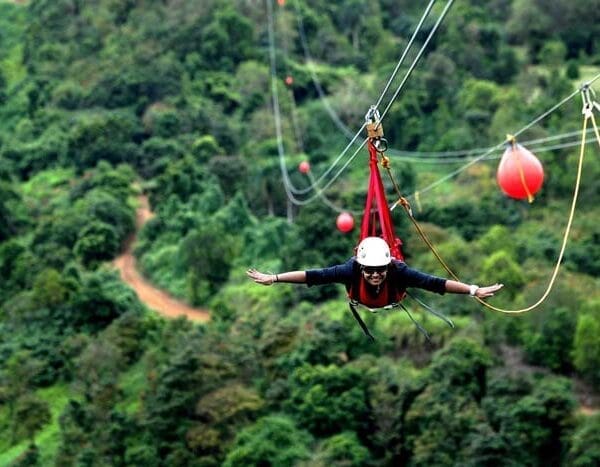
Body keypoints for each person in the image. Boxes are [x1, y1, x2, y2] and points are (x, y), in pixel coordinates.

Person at [246, 236, 503, 308]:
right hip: (362, 298)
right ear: (362, 267)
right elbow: (314, 276)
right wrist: (275, 278)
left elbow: (434, 283)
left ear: (387, 266)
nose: (375, 275)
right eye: (370, 271)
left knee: (415, 279)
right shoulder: (351, 270)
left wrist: (472, 290)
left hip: (391, 298)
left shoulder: (398, 271)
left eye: (380, 270)